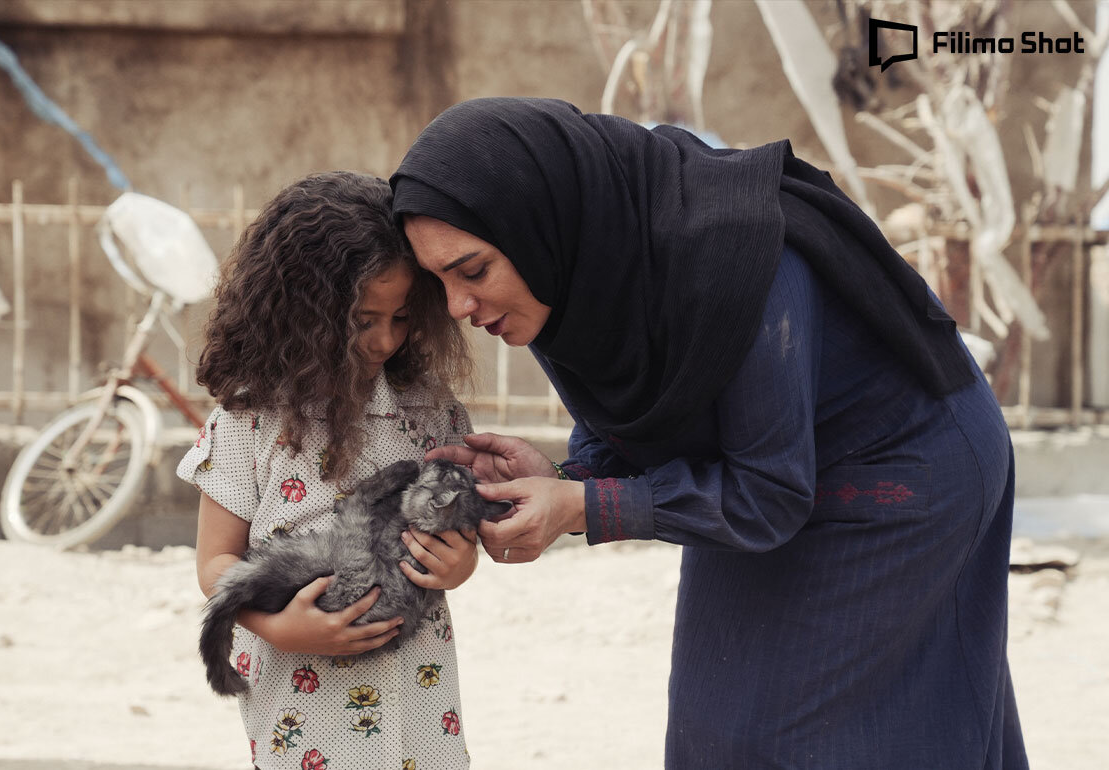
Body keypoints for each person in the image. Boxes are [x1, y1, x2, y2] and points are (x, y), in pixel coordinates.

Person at [393, 97, 1027, 768]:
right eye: (440, 284)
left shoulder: (740, 263)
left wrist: (584, 507)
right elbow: (635, 428)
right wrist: (567, 481)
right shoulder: (572, 271)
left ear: (535, 223)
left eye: (472, 271)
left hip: (904, 473)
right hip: (769, 473)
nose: (460, 307)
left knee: (822, 743)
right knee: (713, 736)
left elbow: (769, 495)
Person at [179, 171, 478, 770]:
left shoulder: (431, 408)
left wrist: (460, 565)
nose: (385, 339)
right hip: (303, 703)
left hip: (418, 699)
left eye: (401, 317)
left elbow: (459, 532)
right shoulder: (251, 416)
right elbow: (215, 562)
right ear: (301, 313)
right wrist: (277, 627)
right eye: (363, 320)